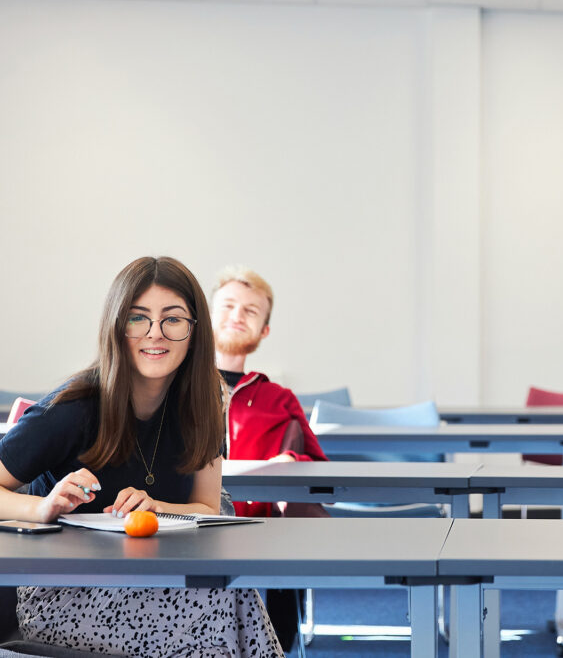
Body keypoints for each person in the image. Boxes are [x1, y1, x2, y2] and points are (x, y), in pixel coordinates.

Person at [0, 256, 283, 657]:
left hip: (163, 578)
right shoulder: (73, 408)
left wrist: (158, 508)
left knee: (229, 593)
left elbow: (206, 505)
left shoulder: (203, 406)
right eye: (138, 318)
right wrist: (43, 507)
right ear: (117, 328)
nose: (156, 334)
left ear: (194, 330)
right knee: (216, 603)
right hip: (68, 592)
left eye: (173, 319)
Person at [210, 265, 327, 519]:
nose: (237, 316)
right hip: (181, 529)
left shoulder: (280, 398)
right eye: (228, 306)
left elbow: (322, 472)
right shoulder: (170, 388)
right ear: (206, 316)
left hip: (257, 531)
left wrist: (292, 461)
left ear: (264, 330)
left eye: (251, 311)